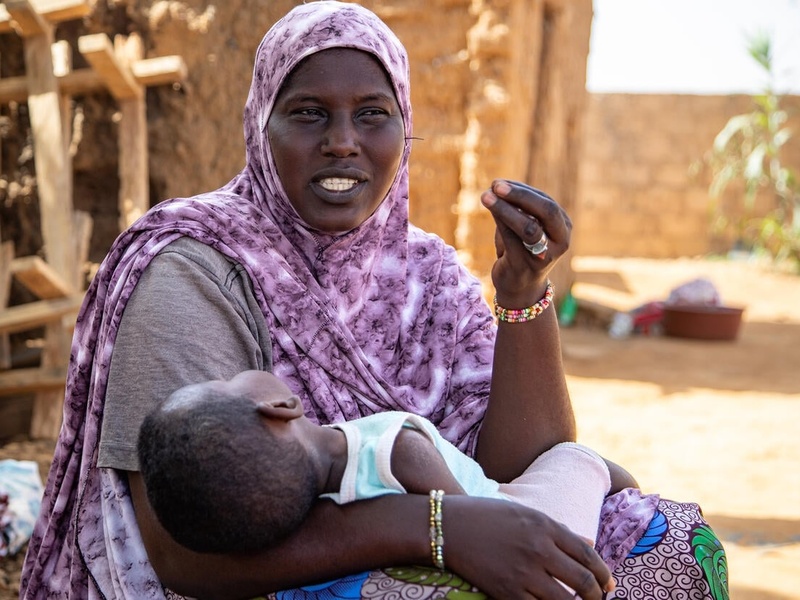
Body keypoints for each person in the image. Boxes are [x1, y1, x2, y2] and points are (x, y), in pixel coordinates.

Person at [21, 2, 728, 599]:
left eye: (372, 114)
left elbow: (527, 464)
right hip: (277, 580)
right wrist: (437, 531)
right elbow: (180, 553)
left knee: (673, 547)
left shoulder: (426, 274)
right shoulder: (194, 268)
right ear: (260, 126)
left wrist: (523, 294)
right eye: (307, 113)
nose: (342, 143)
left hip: (459, 532)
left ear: (404, 126)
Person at [137, 370, 616, 561]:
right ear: (281, 407)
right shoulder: (394, 449)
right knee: (573, 459)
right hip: (530, 528)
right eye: (227, 382)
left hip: (500, 512)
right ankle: (621, 491)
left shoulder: (313, 508)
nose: (233, 374)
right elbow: (477, 521)